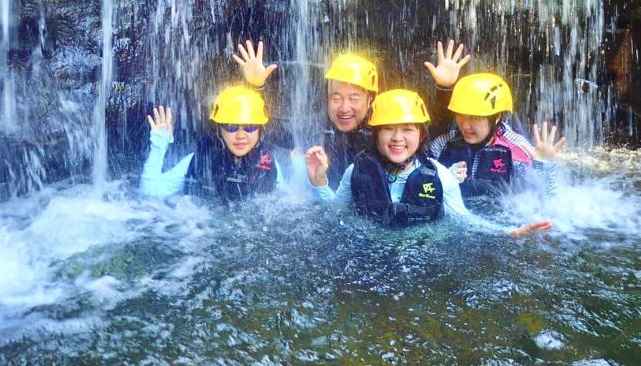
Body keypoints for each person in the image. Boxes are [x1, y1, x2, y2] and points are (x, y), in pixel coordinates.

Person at [304, 89, 550, 235]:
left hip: (421, 253)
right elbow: (335, 209)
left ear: (421, 136)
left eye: (407, 130)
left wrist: (508, 232)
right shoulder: (357, 170)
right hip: (369, 254)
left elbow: (464, 219)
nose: (397, 138)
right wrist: (319, 181)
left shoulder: (440, 176)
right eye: (388, 129)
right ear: (376, 134)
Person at [234, 41, 379, 187]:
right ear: (327, 98)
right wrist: (257, 87)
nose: (344, 108)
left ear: (369, 100)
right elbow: (269, 132)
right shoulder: (318, 129)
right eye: (336, 98)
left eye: (354, 99)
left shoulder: (380, 137)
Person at [425, 70, 566, 200]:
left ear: (497, 117)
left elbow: (545, 200)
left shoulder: (516, 149)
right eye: (460, 115)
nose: (465, 125)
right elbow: (420, 178)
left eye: (475, 117)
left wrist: (544, 167)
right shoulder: (443, 144)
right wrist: (445, 179)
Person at [140, 85, 289, 202]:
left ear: (259, 131)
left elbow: (287, 203)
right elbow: (151, 192)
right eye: (231, 127)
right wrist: (159, 145)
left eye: (250, 127)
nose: (240, 136)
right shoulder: (199, 160)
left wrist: (305, 172)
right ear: (219, 130)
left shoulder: (269, 165)